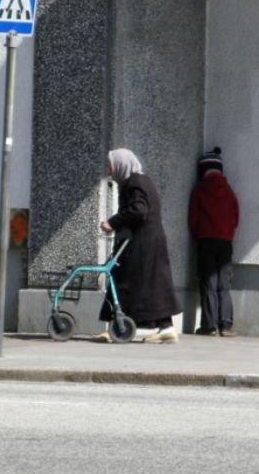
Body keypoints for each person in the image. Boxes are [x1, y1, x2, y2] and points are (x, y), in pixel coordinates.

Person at [100, 148, 181, 343]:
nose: (109, 170)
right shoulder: (139, 181)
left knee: (127, 281)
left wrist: (113, 222)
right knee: (151, 284)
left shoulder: (135, 182)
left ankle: (121, 326)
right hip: (148, 242)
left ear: (122, 164)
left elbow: (139, 210)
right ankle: (163, 327)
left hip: (142, 243)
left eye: (111, 165)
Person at [188, 147, 239, 337]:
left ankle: (208, 325)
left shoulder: (200, 191)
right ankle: (226, 324)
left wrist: (198, 234)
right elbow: (236, 217)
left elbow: (193, 219)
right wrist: (227, 233)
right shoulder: (229, 191)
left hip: (206, 240)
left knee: (208, 282)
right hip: (226, 241)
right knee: (224, 284)